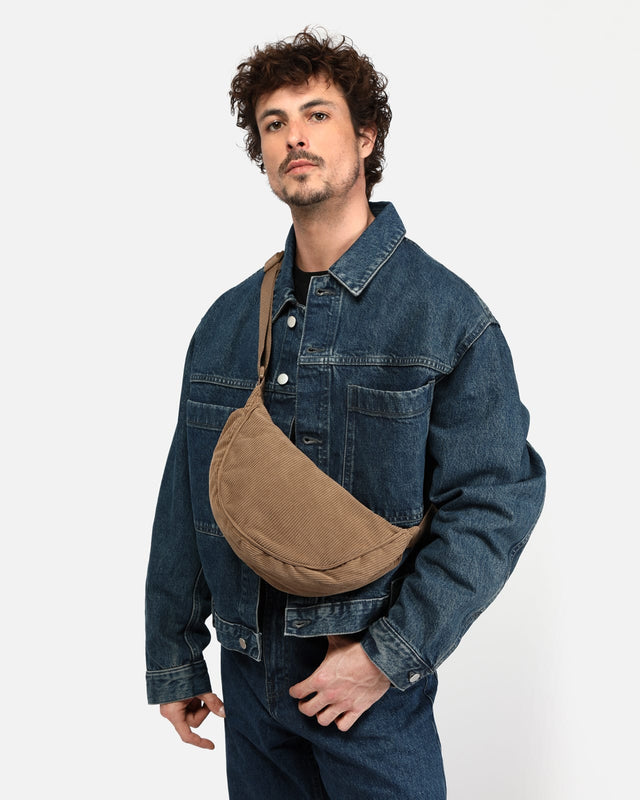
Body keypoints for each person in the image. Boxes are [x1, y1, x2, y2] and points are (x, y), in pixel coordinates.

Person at [145, 29, 545, 799]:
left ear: (366, 136)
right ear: (262, 153)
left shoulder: (444, 316)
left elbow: (496, 501)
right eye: (273, 122)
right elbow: (190, 492)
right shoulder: (228, 321)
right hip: (248, 680)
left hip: (365, 689)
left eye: (316, 114)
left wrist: (386, 657)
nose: (293, 135)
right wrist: (175, 657)